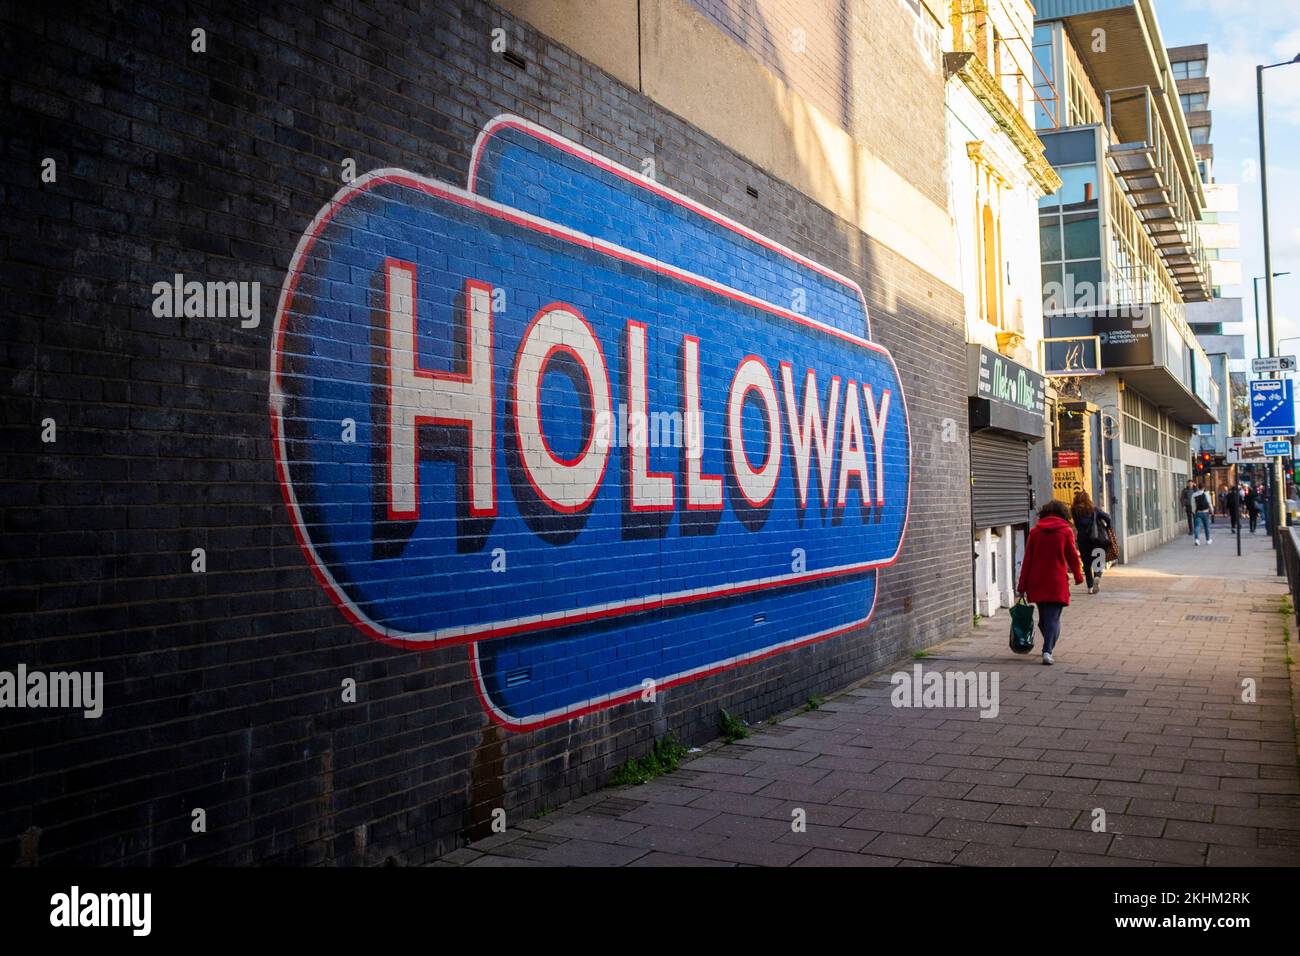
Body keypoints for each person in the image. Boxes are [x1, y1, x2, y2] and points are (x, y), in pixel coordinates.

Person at [1016, 499, 1084, 666]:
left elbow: (1027, 560)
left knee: (1044, 620)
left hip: (1037, 581)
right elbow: (1072, 556)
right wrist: (1078, 576)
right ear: (1063, 514)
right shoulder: (1066, 531)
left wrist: (1022, 585)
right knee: (1053, 618)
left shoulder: (1034, 532)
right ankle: (1047, 651)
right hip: (1056, 581)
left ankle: (1048, 645)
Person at [1071, 491, 1113, 594]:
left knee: (1086, 563)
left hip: (1083, 540)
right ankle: (1097, 576)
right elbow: (1107, 517)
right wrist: (1108, 527)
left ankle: (1089, 587)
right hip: (1097, 539)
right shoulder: (1094, 509)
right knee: (1098, 560)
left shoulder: (1074, 511)